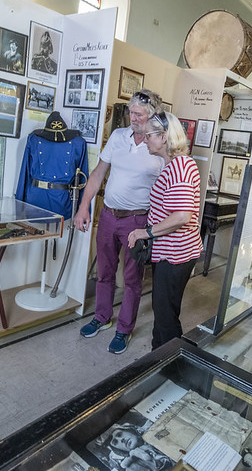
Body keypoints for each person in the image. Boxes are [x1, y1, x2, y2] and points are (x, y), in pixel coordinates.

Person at [75, 89, 164, 354]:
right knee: (104, 272)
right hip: (109, 215)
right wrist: (83, 207)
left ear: (153, 115)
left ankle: (124, 329)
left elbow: (166, 187)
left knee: (132, 279)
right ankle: (102, 317)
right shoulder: (117, 136)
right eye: (131, 112)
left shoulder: (159, 144)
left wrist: (153, 229)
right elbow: (98, 172)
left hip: (138, 220)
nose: (133, 117)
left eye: (139, 113)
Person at [127, 112, 203, 349]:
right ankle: (156, 360)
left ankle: (175, 367)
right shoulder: (177, 164)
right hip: (174, 253)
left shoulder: (179, 167)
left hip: (175, 255)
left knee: (166, 316)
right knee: (164, 312)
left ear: (164, 136)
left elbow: (182, 216)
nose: (145, 138)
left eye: (148, 135)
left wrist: (145, 232)